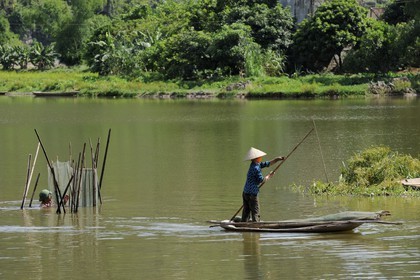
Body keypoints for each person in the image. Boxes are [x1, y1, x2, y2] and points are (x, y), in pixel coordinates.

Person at [241, 147, 284, 222]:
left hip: (245, 192)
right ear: (256, 158)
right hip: (252, 194)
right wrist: (269, 176)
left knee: (246, 212)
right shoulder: (256, 168)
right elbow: (262, 180)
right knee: (255, 212)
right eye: (260, 157)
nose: (261, 158)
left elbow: (267, 164)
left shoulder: (254, 165)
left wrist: (277, 159)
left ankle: (244, 224)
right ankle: (256, 226)